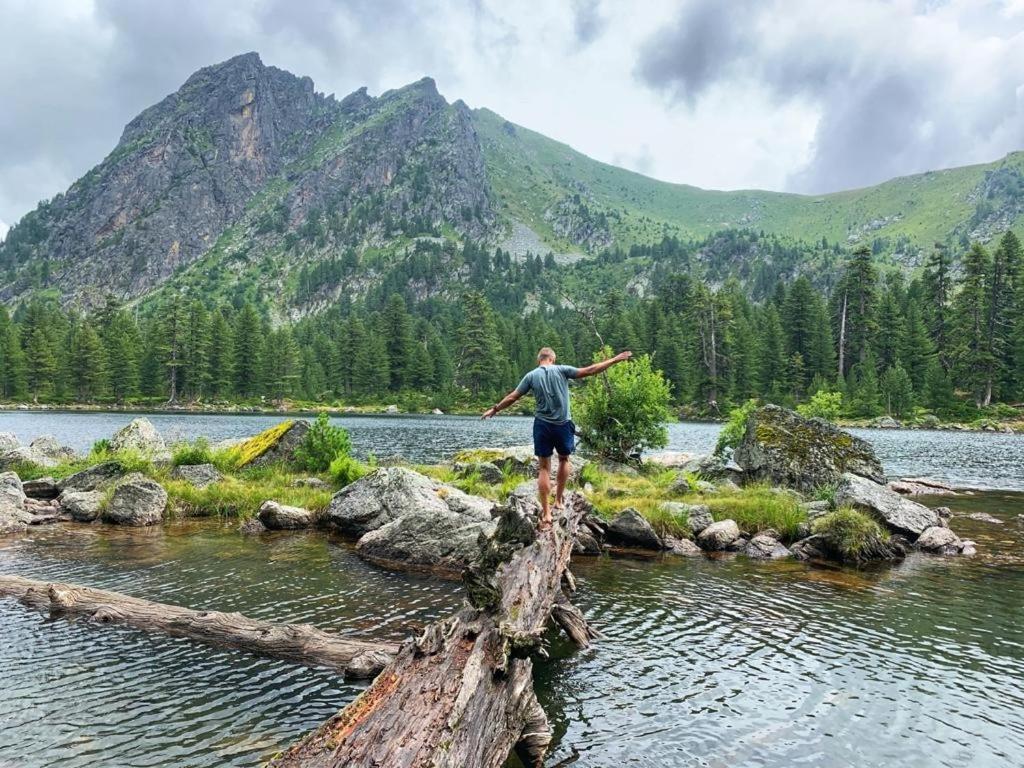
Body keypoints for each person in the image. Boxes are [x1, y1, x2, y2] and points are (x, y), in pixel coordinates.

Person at [482, 347, 632, 529]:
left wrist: (495, 409)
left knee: (544, 468)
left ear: (540, 360)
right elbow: (591, 370)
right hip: (563, 424)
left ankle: (546, 514)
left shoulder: (531, 376)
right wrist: (615, 359)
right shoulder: (562, 370)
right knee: (564, 459)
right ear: (552, 358)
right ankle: (559, 500)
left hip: (542, 425)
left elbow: (513, 396)